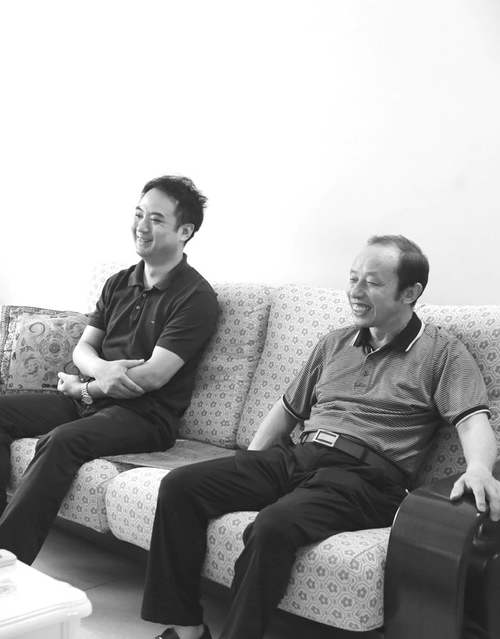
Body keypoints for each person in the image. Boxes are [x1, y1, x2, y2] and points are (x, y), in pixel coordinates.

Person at [142, 235, 500, 639]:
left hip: (366, 479)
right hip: (301, 455)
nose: (356, 292)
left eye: (372, 282)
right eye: (353, 279)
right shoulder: (334, 343)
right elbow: (286, 411)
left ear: (410, 293)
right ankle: (187, 629)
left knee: (273, 526)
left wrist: (479, 468)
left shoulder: (442, 352)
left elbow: (472, 422)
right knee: (180, 486)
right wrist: (248, 466)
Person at [0, 175, 220, 565]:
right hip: (90, 403)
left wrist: (85, 389)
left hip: (146, 417)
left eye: (156, 219)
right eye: (138, 214)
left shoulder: (196, 297)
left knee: (61, 440)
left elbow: (154, 376)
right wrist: (98, 373)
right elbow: (83, 348)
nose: (141, 226)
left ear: (185, 231)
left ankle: (5, 559)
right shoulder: (119, 282)